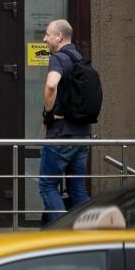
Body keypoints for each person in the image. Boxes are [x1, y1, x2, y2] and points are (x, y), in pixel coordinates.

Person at [40, 19, 90, 222]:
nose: (44, 39)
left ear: (58, 37)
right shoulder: (80, 58)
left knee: (47, 185)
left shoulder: (58, 58)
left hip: (60, 135)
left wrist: (48, 113)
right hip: (82, 135)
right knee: (77, 189)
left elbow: (51, 85)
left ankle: (62, 233)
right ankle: (90, 235)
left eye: (47, 34)